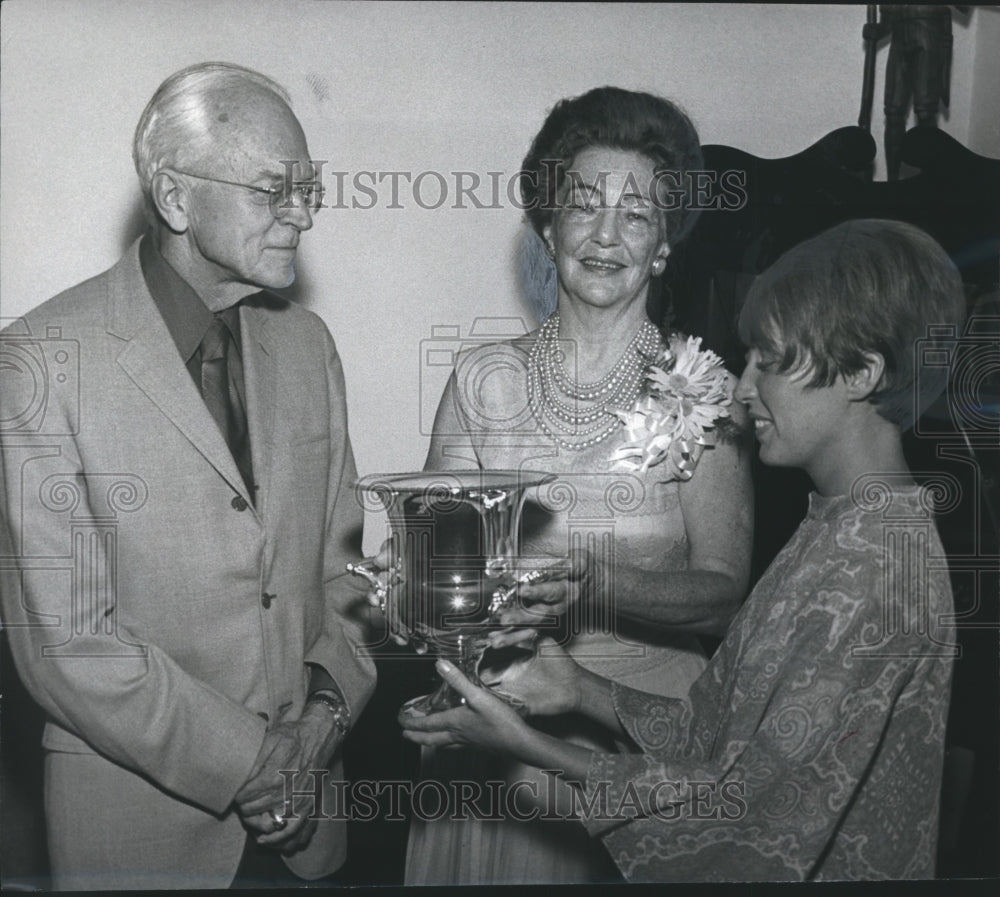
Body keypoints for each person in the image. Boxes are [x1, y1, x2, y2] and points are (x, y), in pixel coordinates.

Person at [402, 219, 965, 881]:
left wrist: (527, 745)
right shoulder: (839, 525)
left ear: (864, 373)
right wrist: (579, 688)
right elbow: (721, 740)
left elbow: (742, 818)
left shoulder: (875, 571)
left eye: (773, 360)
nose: (745, 386)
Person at [0, 63, 375, 890]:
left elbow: (346, 579)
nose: (302, 215)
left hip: (313, 830)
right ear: (174, 198)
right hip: (140, 841)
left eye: (309, 189)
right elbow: (66, 643)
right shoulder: (40, 360)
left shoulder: (308, 345)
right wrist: (255, 758)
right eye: (273, 190)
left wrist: (322, 719)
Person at [401, 86, 753, 884]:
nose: (605, 235)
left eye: (636, 216)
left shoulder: (701, 390)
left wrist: (595, 580)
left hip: (642, 734)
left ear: (664, 245)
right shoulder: (482, 377)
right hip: (499, 733)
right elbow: (429, 565)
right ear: (547, 225)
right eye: (584, 206)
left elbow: (724, 591)